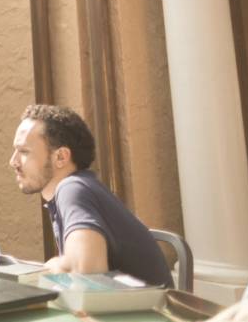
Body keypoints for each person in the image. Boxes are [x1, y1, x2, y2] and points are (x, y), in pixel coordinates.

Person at [9, 104, 173, 287]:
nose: (13, 161)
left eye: (23, 151)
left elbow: (86, 272)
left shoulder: (72, 189)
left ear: (61, 157)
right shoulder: (80, 188)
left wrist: (50, 267)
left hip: (146, 315)